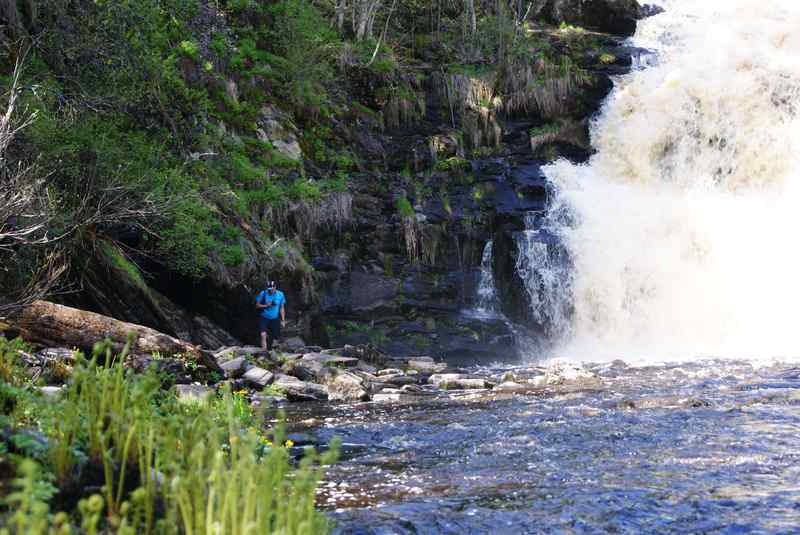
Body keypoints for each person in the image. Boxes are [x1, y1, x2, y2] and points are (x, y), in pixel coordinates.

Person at [255, 280, 286, 351]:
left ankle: (273, 352)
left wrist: (283, 320)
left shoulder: (280, 294)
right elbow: (257, 305)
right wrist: (266, 305)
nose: (270, 291)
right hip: (264, 317)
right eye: (269, 289)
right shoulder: (263, 293)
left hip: (275, 318)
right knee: (263, 335)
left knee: (275, 338)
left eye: (272, 289)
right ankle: (263, 351)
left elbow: (282, 308)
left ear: (275, 287)